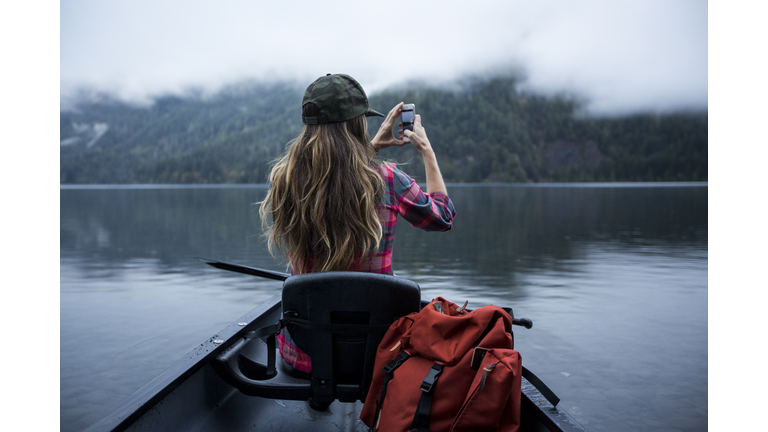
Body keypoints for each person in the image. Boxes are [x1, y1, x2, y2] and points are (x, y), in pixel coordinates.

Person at [259, 73, 456, 375]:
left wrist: (373, 147)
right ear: (356, 124)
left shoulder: (285, 179)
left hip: (303, 357)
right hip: (377, 357)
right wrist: (427, 151)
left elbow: (336, 178)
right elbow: (442, 217)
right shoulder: (388, 179)